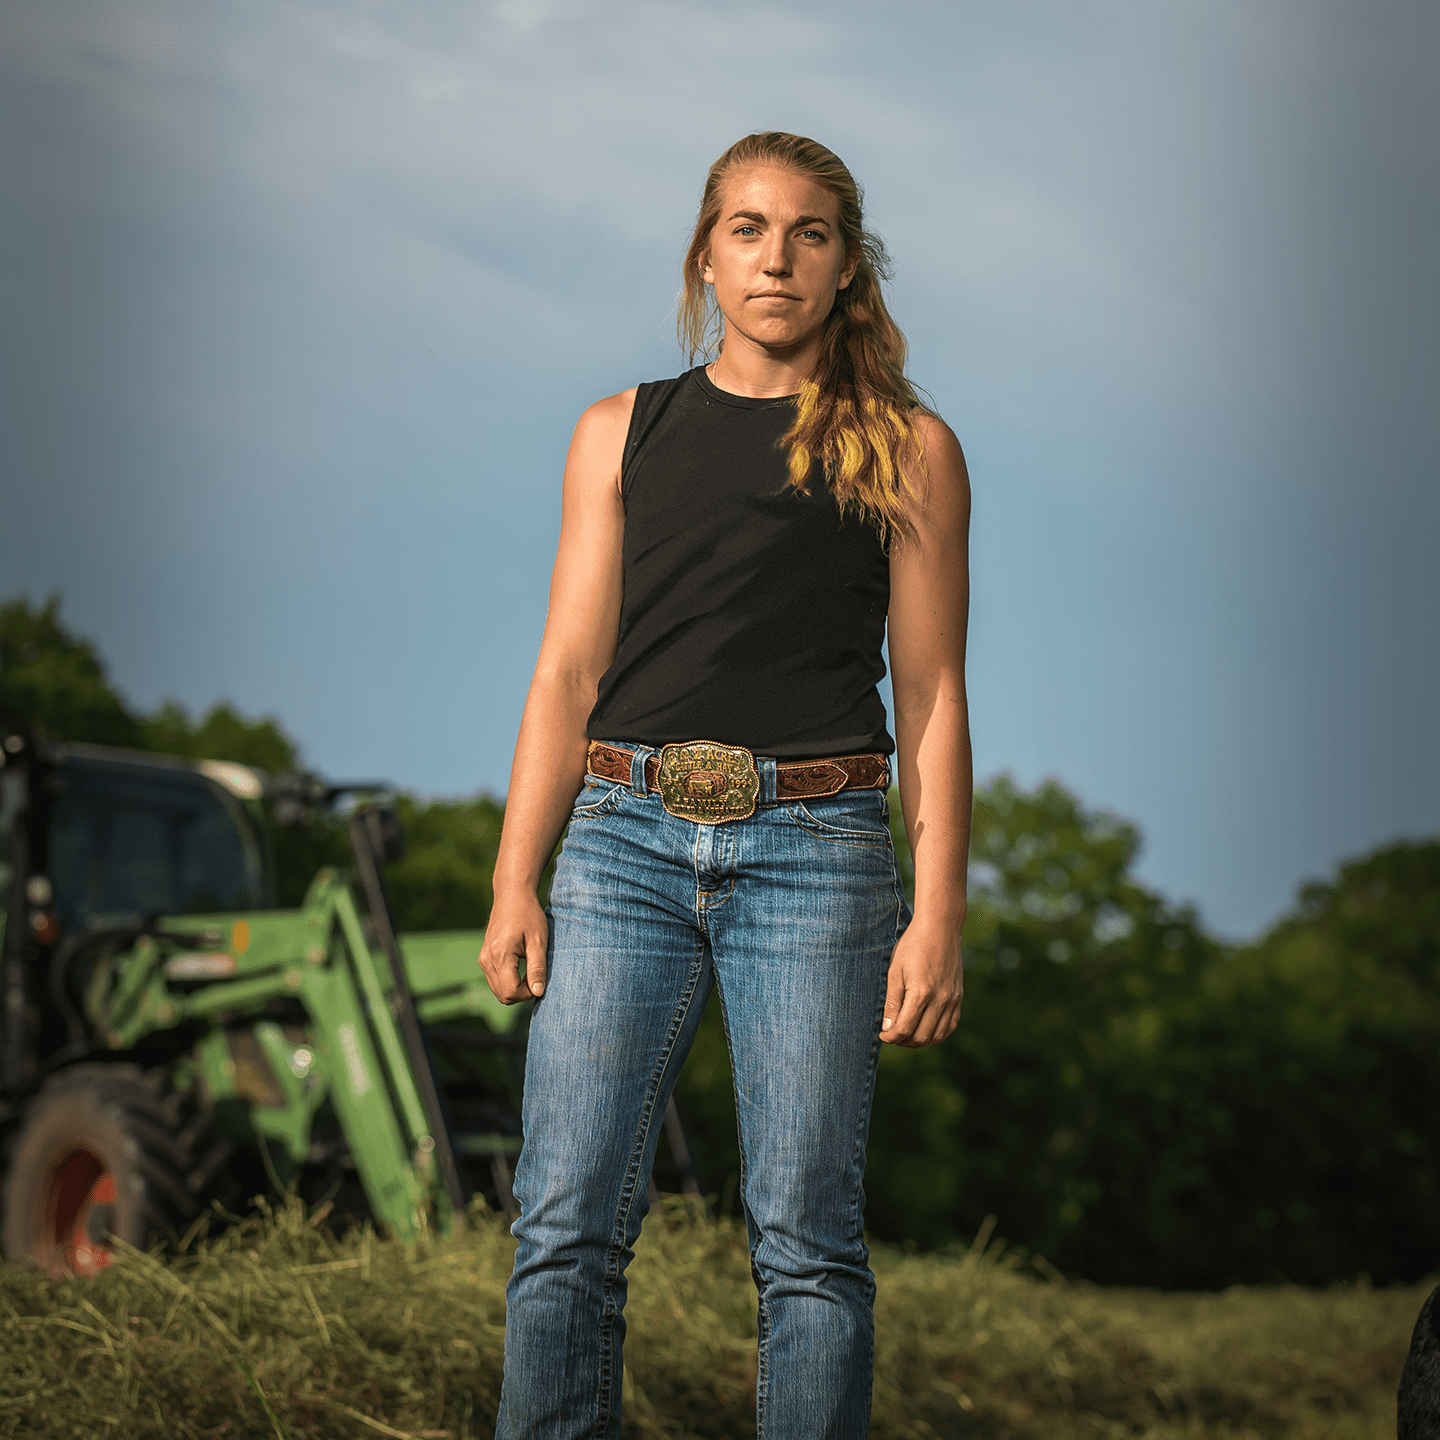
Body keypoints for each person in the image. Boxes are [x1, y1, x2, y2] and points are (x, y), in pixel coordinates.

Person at [478, 130, 972, 1440]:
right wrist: (514, 878)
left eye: (810, 233)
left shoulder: (910, 448)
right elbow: (565, 670)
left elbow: (930, 700)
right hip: (620, 843)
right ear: (707, 251)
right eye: (748, 228)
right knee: (564, 1228)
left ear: (847, 265)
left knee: (808, 1245)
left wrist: (937, 913)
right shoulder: (619, 431)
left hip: (820, 853)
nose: (777, 256)